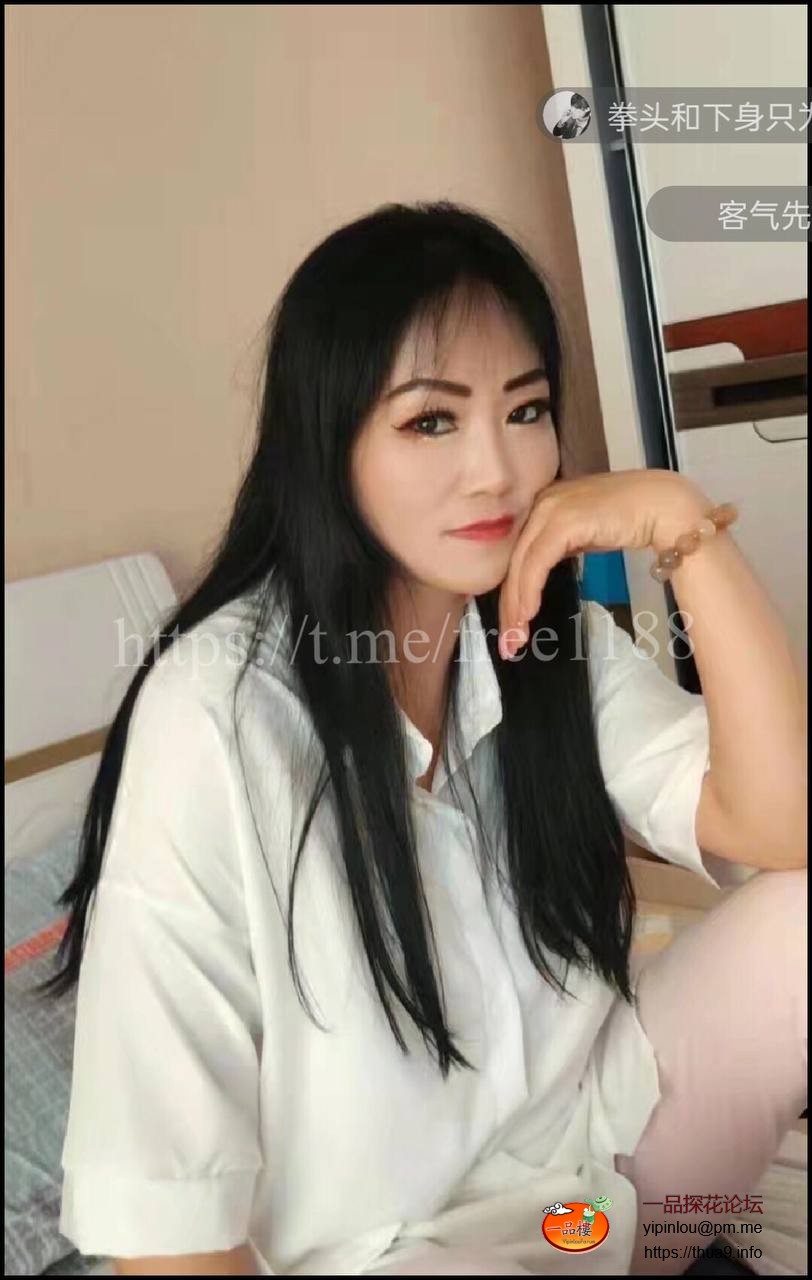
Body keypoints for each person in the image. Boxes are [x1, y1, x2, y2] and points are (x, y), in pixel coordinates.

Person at [41, 201, 806, 1276]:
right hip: (392, 1254)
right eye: (430, 421)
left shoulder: (549, 642)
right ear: (329, 442)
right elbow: (165, 1218)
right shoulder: (214, 712)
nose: (496, 470)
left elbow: (779, 825)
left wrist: (682, 527)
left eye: (526, 409)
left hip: (593, 1197)